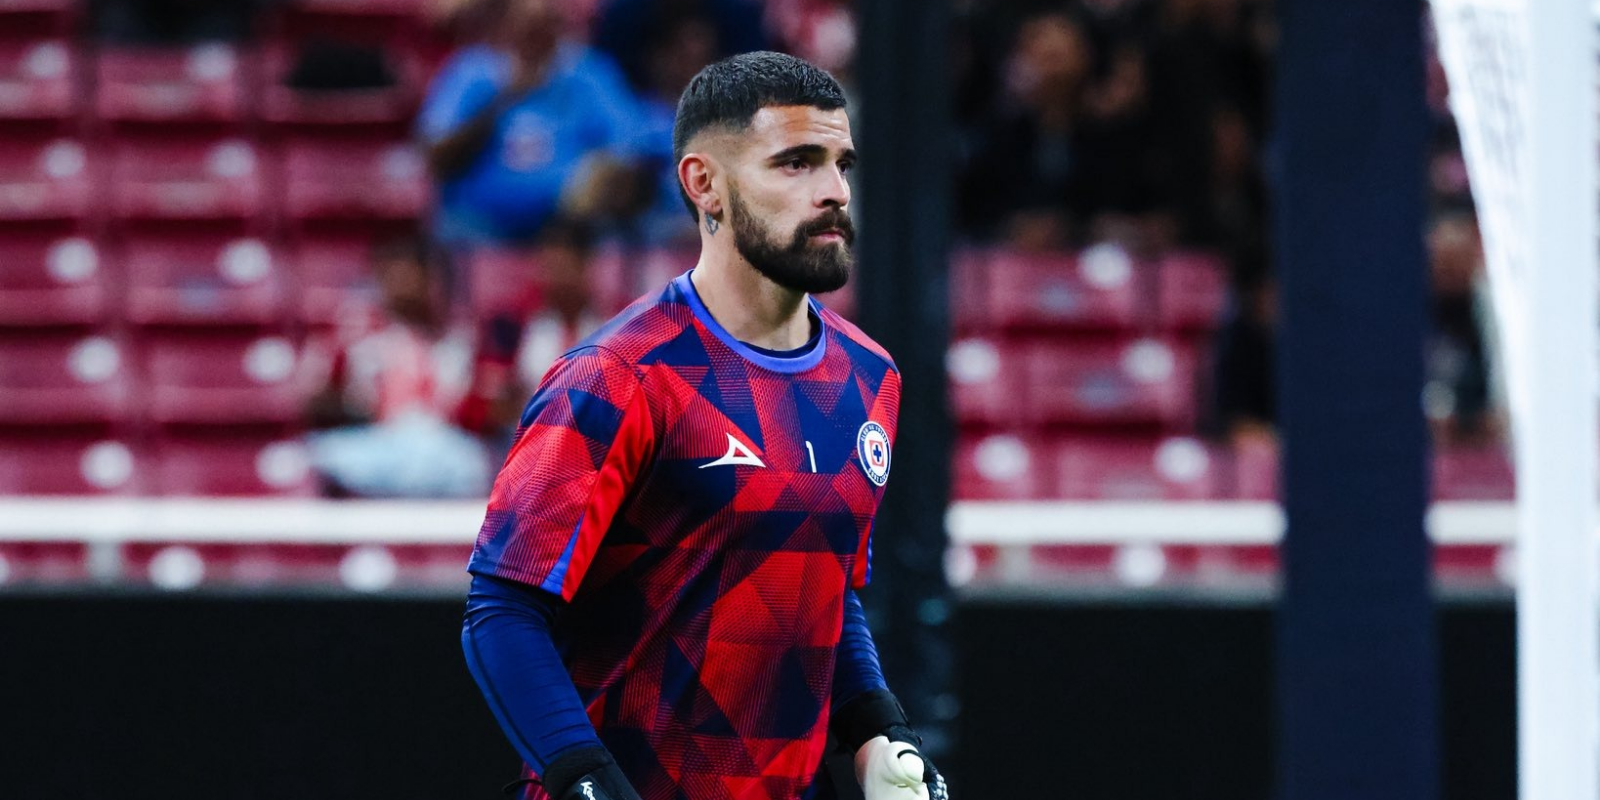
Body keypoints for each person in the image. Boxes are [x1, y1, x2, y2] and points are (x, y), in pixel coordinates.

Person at [460, 52, 948, 800]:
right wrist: (586, 781)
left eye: (841, 163)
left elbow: (823, 590)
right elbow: (502, 609)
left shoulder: (870, 377)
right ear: (703, 184)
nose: (833, 191)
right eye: (796, 163)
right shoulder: (620, 376)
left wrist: (880, 731)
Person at [417, 0, 643, 244]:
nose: (533, 37)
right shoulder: (471, 69)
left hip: (571, 226)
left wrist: (596, 176)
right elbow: (436, 156)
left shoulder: (588, 72)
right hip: (481, 221)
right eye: (525, 27)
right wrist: (505, 98)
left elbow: (630, 145)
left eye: (543, 26)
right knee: (453, 228)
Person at [302, 234, 490, 498]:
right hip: (375, 444)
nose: (401, 287)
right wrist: (351, 403)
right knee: (314, 456)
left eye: (409, 277)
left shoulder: (465, 338)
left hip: (442, 448)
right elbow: (311, 401)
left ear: (432, 281)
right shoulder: (353, 332)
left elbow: (486, 407)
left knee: (471, 460)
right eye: (391, 277)